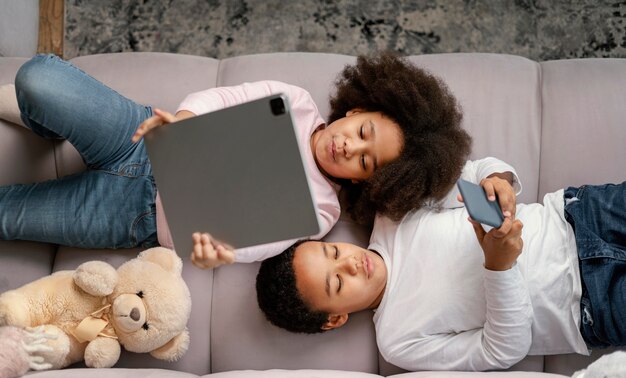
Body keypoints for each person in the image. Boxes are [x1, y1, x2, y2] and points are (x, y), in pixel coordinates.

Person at [0, 52, 471, 269]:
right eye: (363, 132)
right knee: (38, 79)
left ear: (368, 184)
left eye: (366, 163)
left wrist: (211, 253)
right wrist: (183, 120)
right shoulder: (296, 102)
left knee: (8, 216)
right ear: (357, 109)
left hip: (135, 218)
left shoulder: (323, 211)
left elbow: (249, 247)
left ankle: (47, 125)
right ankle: (44, 123)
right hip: (140, 138)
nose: (350, 147)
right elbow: (225, 96)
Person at [256, 168, 626, 372]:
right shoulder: (397, 340)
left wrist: (497, 179)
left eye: (332, 250)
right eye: (337, 281)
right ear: (334, 318)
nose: (351, 262)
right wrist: (499, 268)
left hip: (579, 215)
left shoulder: (392, 213)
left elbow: (472, 173)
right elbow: (500, 352)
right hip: (591, 306)